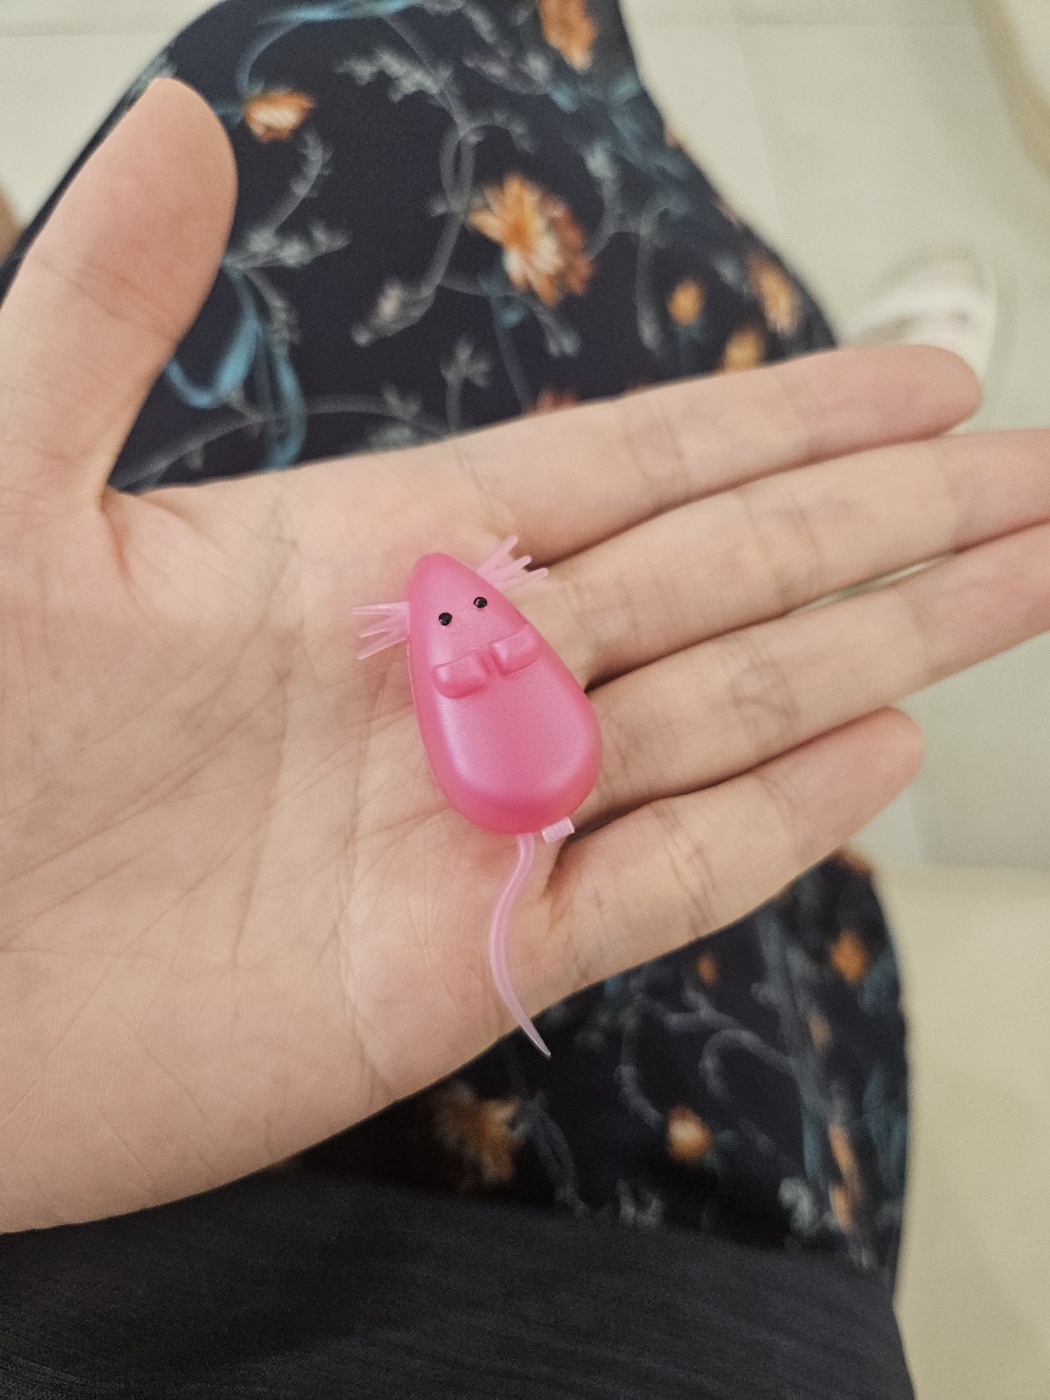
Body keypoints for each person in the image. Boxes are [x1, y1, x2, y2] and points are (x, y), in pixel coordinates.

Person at [0, 3, 1047, 1395]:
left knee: (363, 85)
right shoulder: (450, 641)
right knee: (383, 77)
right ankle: (779, 374)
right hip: (597, 1263)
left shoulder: (455, 635)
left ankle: (800, 419)